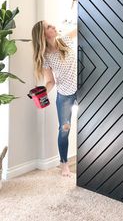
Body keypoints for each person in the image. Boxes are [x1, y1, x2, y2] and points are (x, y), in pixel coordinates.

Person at [31, 21, 77, 177]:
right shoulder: (46, 57)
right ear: (43, 35)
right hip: (64, 94)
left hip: (83, 88)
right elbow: (50, 81)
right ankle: (64, 164)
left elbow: (80, 26)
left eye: (52, 24)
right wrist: (41, 93)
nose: (53, 27)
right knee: (64, 129)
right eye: (49, 27)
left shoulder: (65, 40)